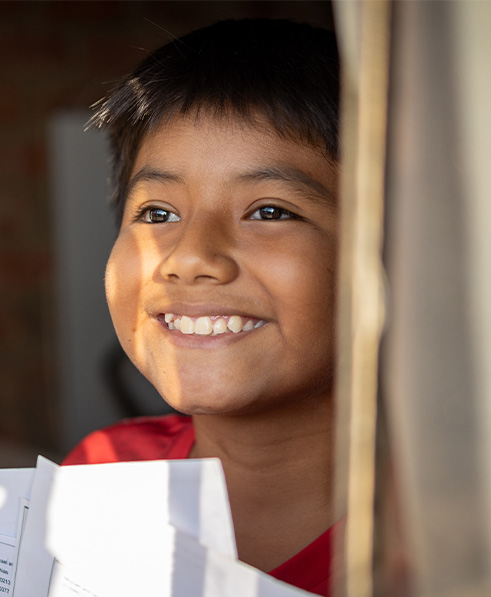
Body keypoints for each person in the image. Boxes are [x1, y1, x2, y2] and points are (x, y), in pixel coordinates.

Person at [63, 18, 342, 596]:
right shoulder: (106, 475)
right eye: (157, 213)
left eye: (269, 211)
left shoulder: (452, 536)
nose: (190, 258)